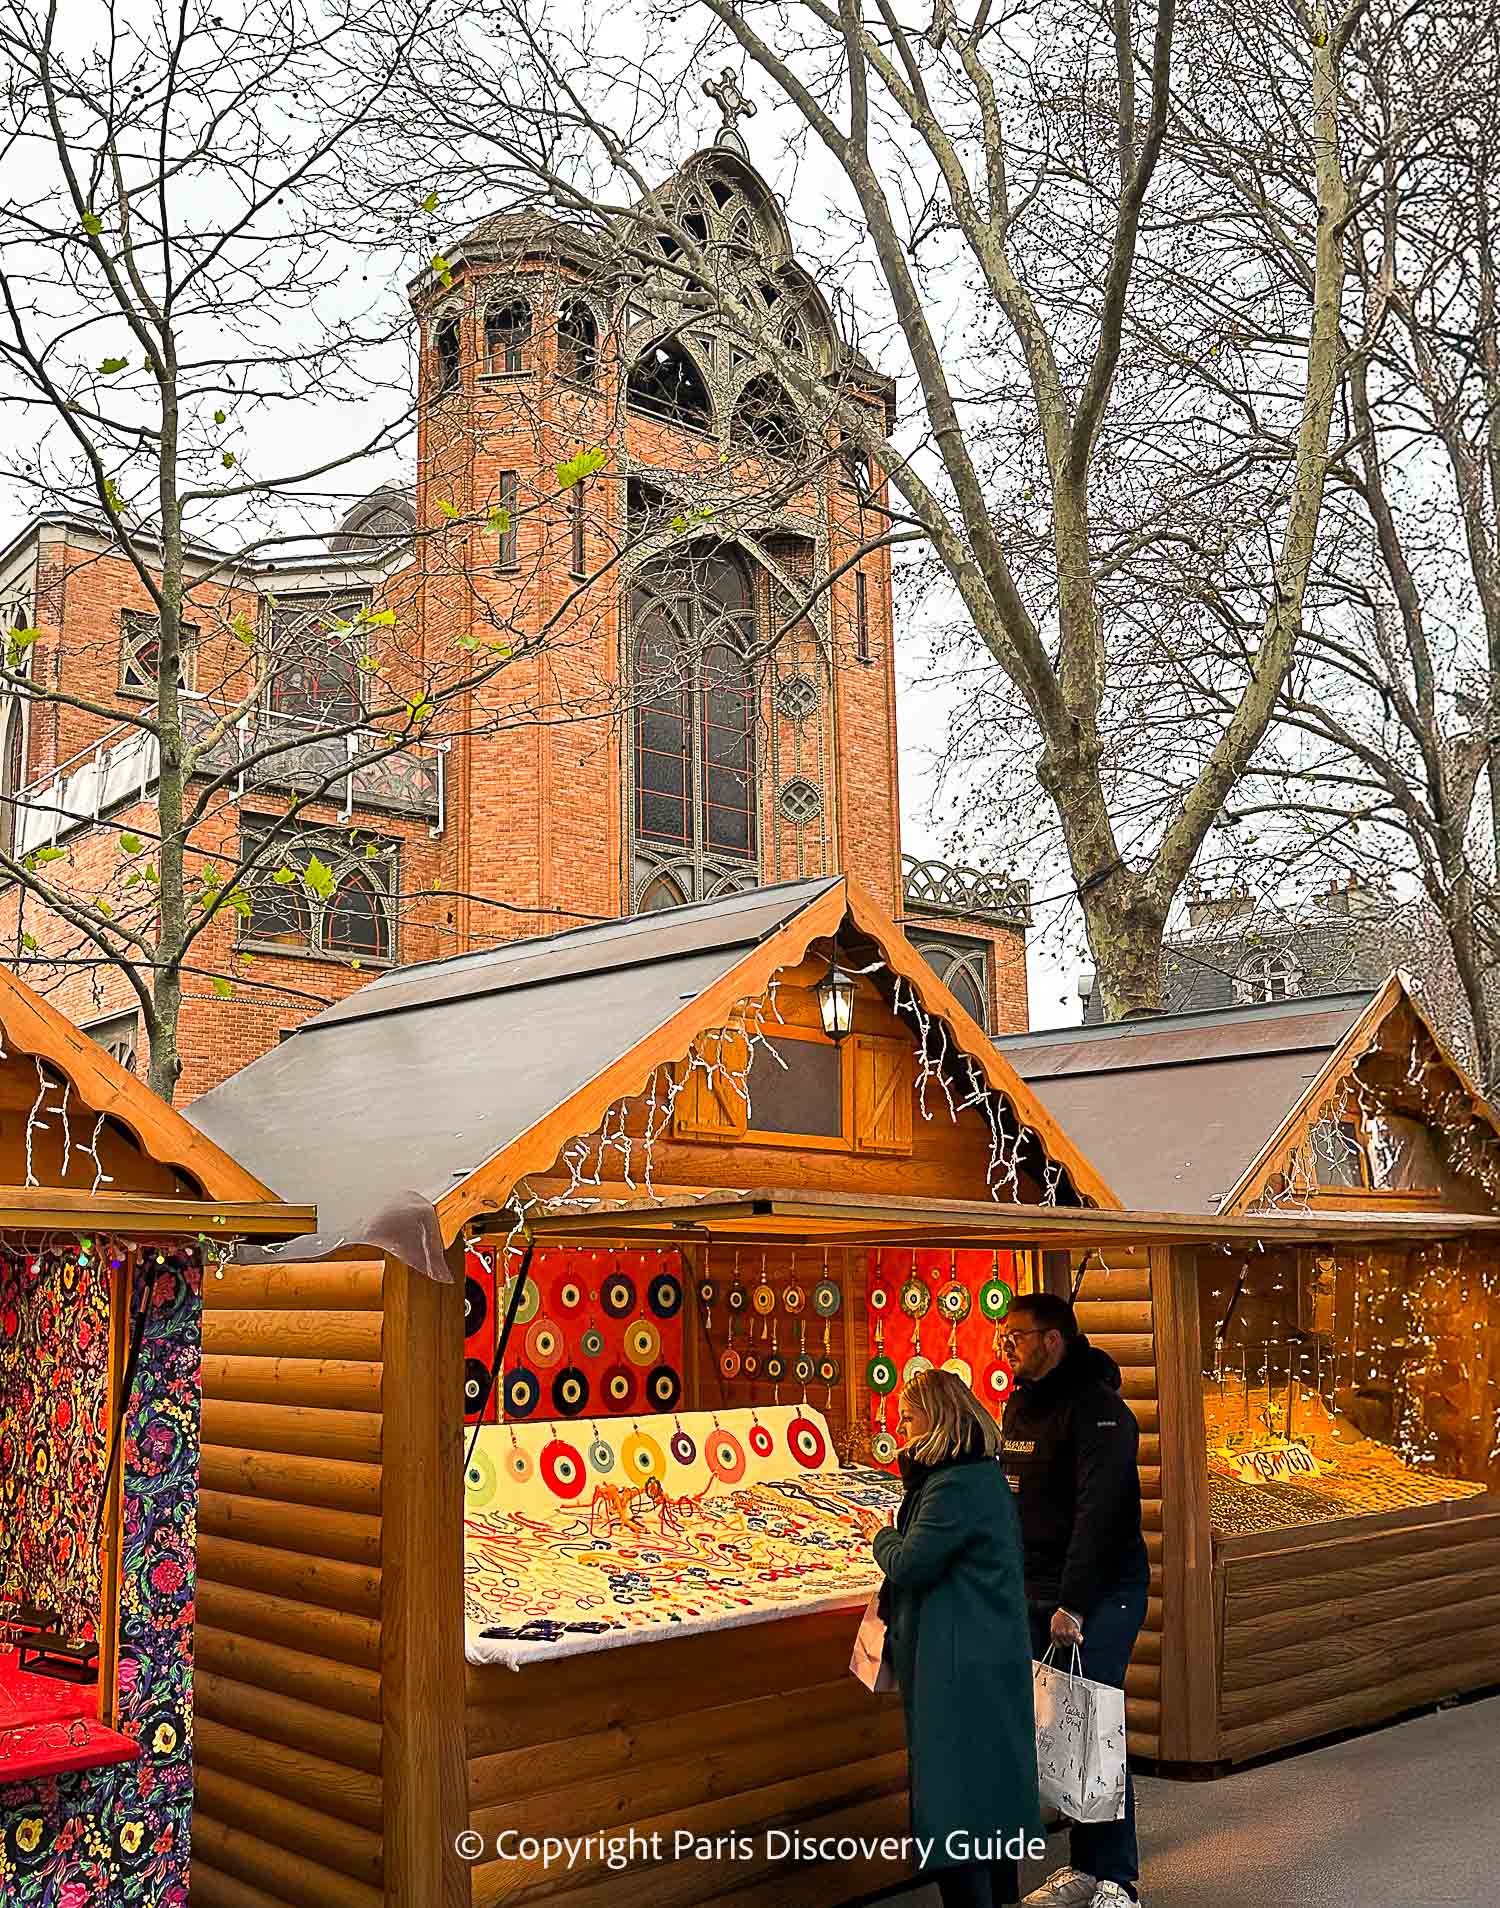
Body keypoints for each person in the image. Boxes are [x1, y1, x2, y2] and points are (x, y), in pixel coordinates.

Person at [858, 1366, 1041, 1908]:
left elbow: (912, 1563)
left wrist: (881, 1535)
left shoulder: (954, 1486)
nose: (904, 1427)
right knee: (986, 1792)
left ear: (936, 1419)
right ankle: (997, 1895)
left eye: (910, 1416)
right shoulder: (979, 1476)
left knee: (955, 1797)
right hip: (982, 1653)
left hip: (958, 1663)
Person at [1000, 1292, 1150, 1908]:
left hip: (1101, 1592)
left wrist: (1074, 1603)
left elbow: (1098, 1513)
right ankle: (1083, 1866)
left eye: (1018, 1335)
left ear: (1054, 1339)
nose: (1007, 1344)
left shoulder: (1101, 1413)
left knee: (1094, 1719)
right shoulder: (1019, 1405)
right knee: (1063, 1724)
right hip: (1037, 1586)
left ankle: (1116, 1878)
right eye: (1004, 1335)